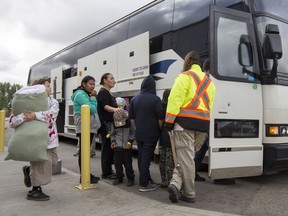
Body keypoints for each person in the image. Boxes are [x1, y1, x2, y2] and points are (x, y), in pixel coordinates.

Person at [165, 51, 216, 203]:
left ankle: (189, 193)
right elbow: (210, 105)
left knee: (185, 158)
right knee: (187, 158)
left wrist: (169, 122)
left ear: (186, 62)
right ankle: (175, 183)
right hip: (203, 125)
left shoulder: (184, 77)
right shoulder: (209, 83)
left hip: (185, 123)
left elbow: (175, 100)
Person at [10, 77, 59, 201]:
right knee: (40, 164)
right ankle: (35, 190)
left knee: (51, 162)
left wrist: (35, 115)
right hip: (35, 141)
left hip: (50, 139)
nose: (50, 88)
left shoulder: (53, 102)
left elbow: (51, 117)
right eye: (47, 86)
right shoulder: (25, 102)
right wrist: (24, 116)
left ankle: (28, 171)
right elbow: (12, 122)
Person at [194, 59, 236, 185]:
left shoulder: (198, 79)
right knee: (217, 144)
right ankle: (220, 176)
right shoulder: (208, 80)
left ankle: (193, 172)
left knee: (203, 146)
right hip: (211, 117)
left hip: (203, 118)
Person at [129, 75, 163, 192]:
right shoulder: (156, 99)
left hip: (139, 133)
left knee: (142, 157)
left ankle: (147, 179)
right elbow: (160, 119)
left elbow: (132, 119)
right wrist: (159, 130)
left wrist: (137, 129)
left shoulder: (134, 99)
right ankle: (144, 184)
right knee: (146, 159)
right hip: (151, 133)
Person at [71, 75, 101, 184]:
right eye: (90, 84)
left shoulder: (84, 94)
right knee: (84, 151)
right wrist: (93, 98)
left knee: (86, 150)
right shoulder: (80, 94)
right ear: (83, 84)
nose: (92, 86)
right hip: (85, 126)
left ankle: (86, 174)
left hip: (89, 127)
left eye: (94, 84)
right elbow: (91, 109)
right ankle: (84, 176)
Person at [97, 73, 123, 179]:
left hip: (110, 125)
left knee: (109, 147)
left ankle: (108, 170)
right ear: (105, 80)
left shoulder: (107, 92)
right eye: (111, 78)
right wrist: (115, 109)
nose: (114, 81)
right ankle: (106, 172)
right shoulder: (103, 92)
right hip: (106, 125)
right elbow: (105, 106)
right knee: (107, 148)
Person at [110, 97, 135, 186]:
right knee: (117, 164)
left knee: (128, 165)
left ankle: (131, 178)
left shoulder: (130, 122)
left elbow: (133, 133)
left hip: (126, 147)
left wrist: (130, 141)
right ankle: (119, 177)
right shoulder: (114, 122)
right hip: (117, 147)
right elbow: (112, 133)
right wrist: (113, 141)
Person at [159, 89, 173, 188]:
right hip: (170, 135)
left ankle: (163, 180)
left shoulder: (160, 107)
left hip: (162, 135)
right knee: (169, 160)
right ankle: (170, 180)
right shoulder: (171, 107)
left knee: (162, 159)